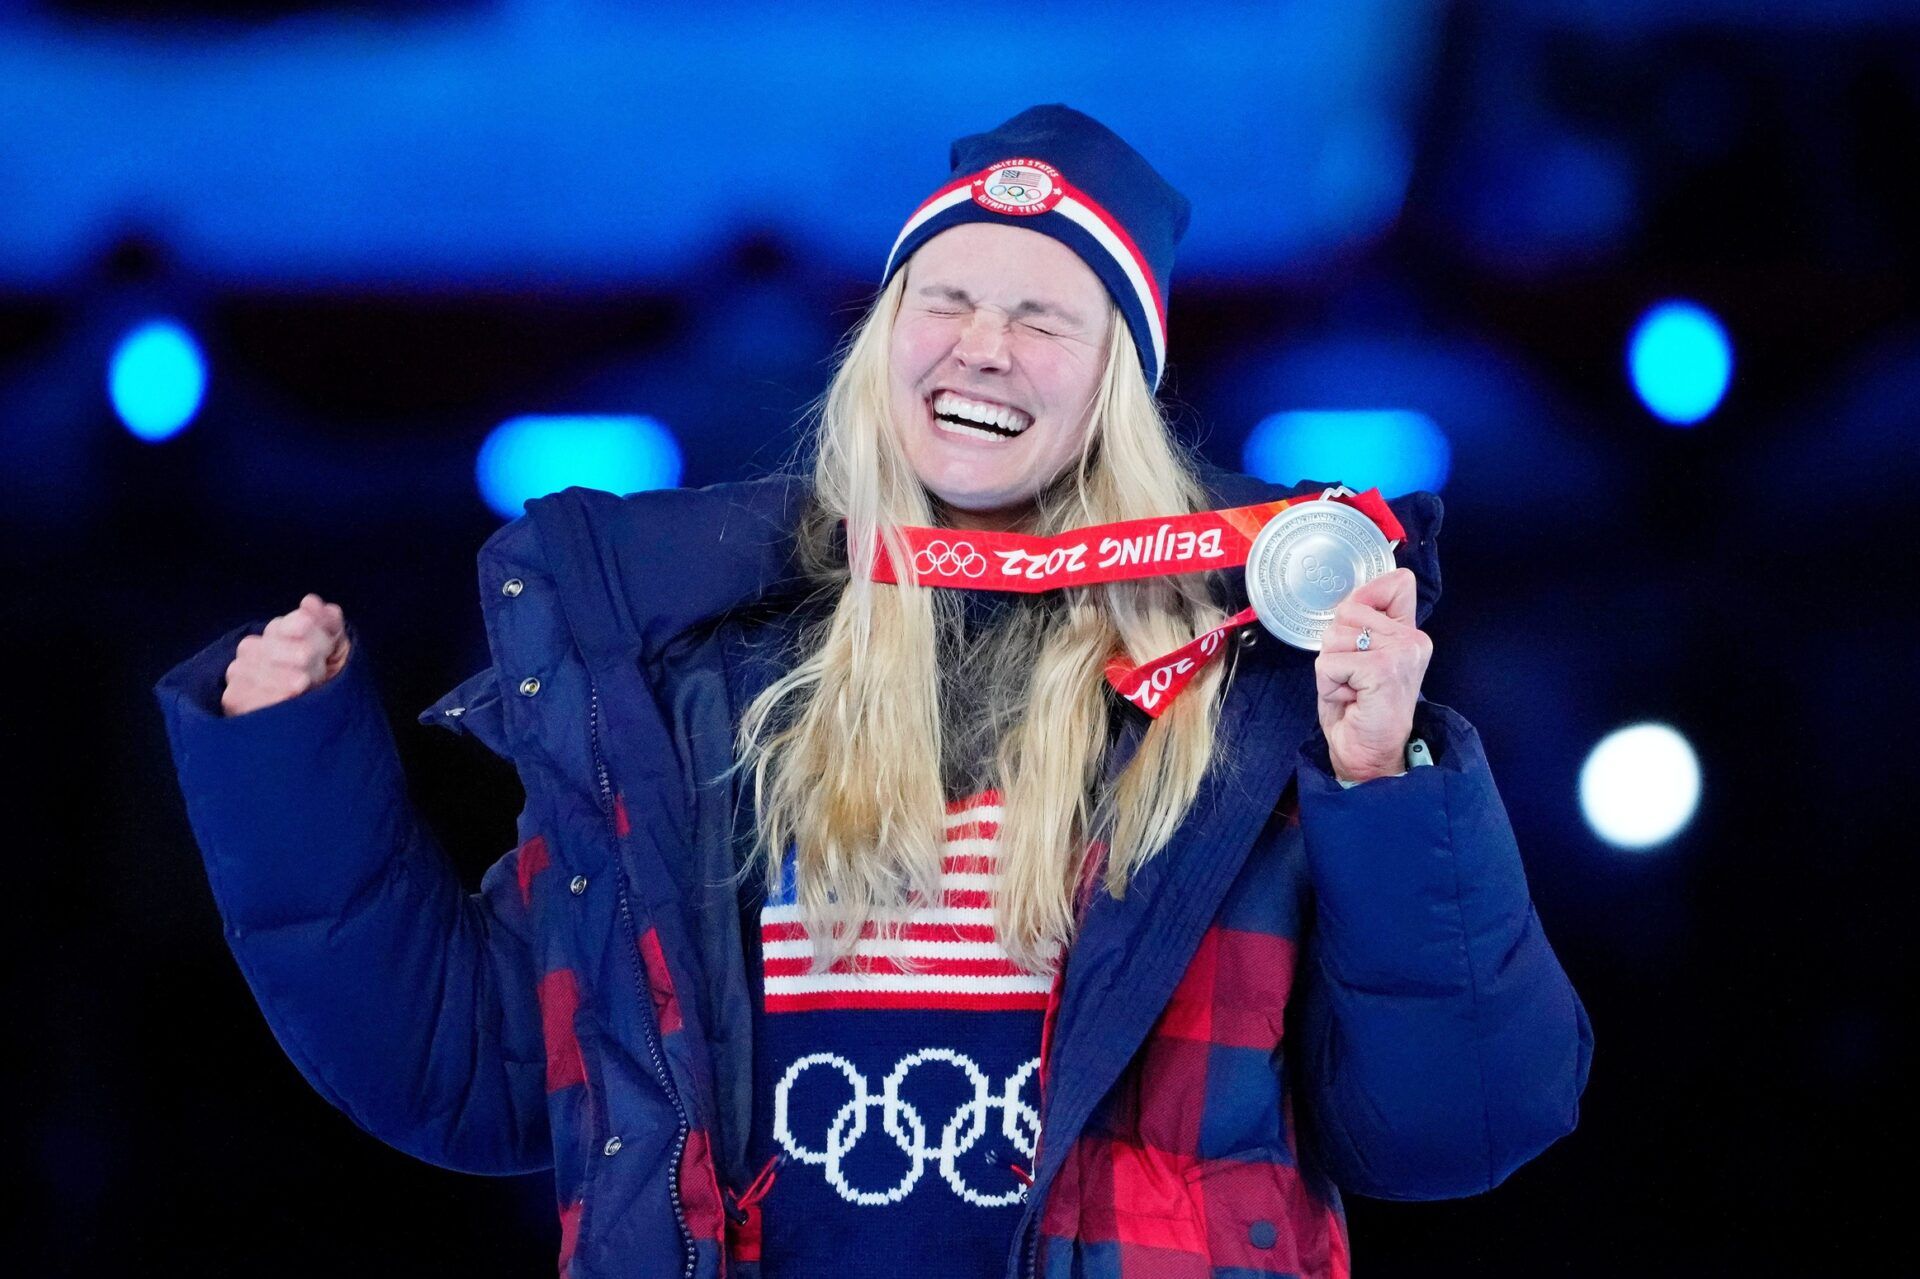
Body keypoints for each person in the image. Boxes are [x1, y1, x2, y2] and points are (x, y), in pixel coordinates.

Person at [154, 104, 1592, 1279]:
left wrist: (1386, 779)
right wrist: (291, 770)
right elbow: (471, 1069)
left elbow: (1456, 1124)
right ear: (883, 341)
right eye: (947, 297)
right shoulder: (709, 698)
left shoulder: (1249, 701)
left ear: (1117, 391)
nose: (982, 344)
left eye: (1046, 317)